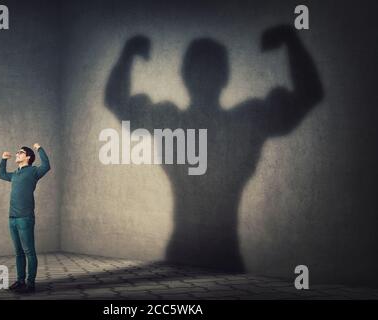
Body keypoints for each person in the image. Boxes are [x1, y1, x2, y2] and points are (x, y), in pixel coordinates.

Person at [105, 25, 323, 271]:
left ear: (184, 75)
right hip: (219, 257)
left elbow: (117, 101)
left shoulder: (174, 121)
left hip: (192, 255)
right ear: (225, 76)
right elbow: (309, 94)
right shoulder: (242, 122)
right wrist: (290, 40)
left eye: (208, 70)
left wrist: (128, 53)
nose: (203, 77)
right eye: (202, 70)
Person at [0, 143, 51, 293]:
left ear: (28, 157)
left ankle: (30, 283)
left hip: (25, 218)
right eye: (17, 152)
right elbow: (1, 174)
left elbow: (47, 165)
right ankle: (20, 281)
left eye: (20, 152)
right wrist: (3, 159)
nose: (17, 154)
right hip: (12, 218)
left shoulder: (33, 171)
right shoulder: (15, 174)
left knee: (29, 252)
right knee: (18, 252)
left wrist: (40, 148)